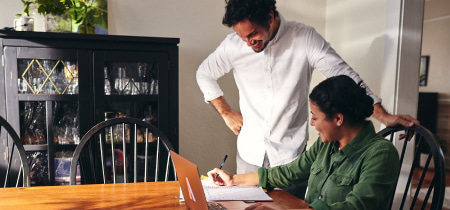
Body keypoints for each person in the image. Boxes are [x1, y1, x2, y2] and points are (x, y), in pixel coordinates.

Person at [196, 0, 417, 174]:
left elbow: (346, 77)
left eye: (252, 34)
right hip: (248, 155)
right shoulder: (233, 46)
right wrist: (226, 112)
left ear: (270, 18)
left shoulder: (304, 38)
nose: (247, 42)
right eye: (241, 36)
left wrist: (384, 117)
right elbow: (204, 73)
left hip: (291, 158)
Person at [207, 75, 401, 210]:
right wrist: (233, 180)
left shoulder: (381, 154)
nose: (312, 122)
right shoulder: (327, 144)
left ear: (338, 119)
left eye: (315, 117)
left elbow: (356, 207)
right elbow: (290, 172)